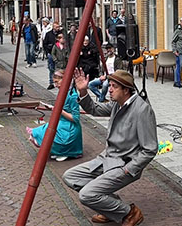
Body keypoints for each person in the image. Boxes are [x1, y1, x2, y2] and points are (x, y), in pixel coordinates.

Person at [64, 69, 157, 225]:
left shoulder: (142, 110)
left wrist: (130, 168)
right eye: (110, 85)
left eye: (114, 86)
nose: (109, 89)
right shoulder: (118, 104)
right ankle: (109, 208)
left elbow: (150, 149)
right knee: (71, 176)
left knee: (86, 195)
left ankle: (130, 212)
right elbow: (94, 109)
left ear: (126, 90)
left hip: (124, 164)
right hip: (108, 158)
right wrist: (83, 91)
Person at [27, 69, 83, 161]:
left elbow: (76, 118)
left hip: (69, 126)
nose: (55, 85)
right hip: (62, 122)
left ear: (64, 80)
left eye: (57, 82)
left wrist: (58, 110)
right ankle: (59, 151)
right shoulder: (63, 92)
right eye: (54, 83)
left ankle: (65, 151)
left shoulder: (72, 96)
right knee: (46, 129)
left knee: (49, 130)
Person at [43, 21, 63, 89]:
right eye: (56, 27)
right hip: (51, 54)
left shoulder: (61, 34)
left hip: (60, 55)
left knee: (60, 68)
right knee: (51, 68)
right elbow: (45, 43)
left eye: (58, 27)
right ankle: (51, 82)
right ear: (53, 27)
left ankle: (59, 82)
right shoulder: (49, 34)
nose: (58, 28)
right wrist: (48, 50)